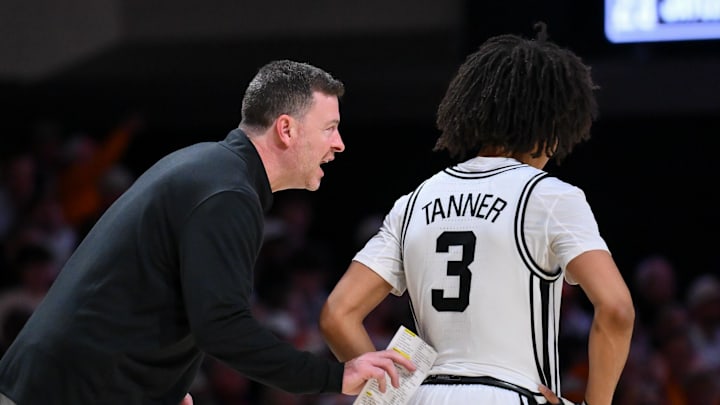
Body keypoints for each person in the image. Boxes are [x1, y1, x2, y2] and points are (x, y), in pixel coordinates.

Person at [0, 59, 415, 405]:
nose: (340, 143)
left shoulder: (211, 170)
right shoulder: (227, 191)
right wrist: (334, 375)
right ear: (286, 129)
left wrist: (163, 389)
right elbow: (222, 327)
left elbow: (154, 297)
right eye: (330, 128)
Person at [319, 23, 634, 405]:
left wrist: (395, 393)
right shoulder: (548, 195)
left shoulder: (414, 201)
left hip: (422, 395)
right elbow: (616, 309)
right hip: (509, 394)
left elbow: (337, 314)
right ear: (552, 123)